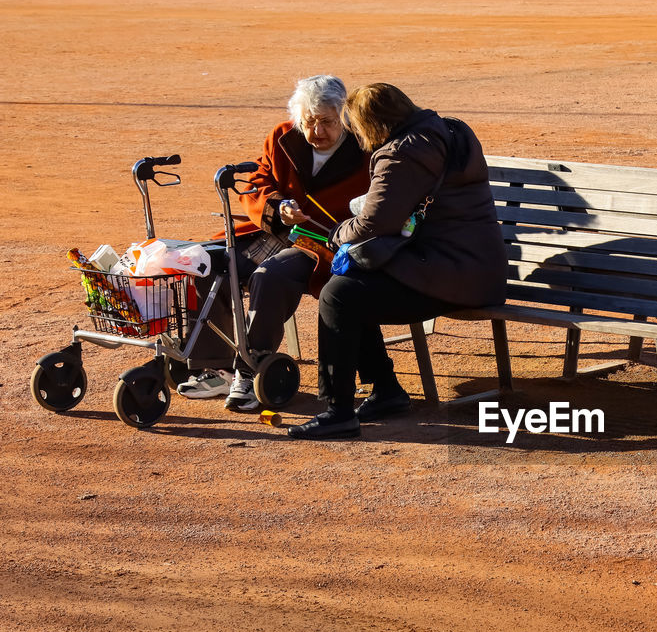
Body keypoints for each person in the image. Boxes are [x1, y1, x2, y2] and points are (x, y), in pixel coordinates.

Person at [288, 83, 506, 439]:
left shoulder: (405, 152)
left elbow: (375, 222)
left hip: (452, 274)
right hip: (474, 269)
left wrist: (337, 233)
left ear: (371, 125)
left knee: (339, 294)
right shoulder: (444, 129)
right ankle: (386, 391)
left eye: (356, 129)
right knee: (356, 284)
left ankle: (337, 411)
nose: (358, 138)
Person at [176, 74, 371, 411]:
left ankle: (251, 370)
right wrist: (278, 207)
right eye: (309, 122)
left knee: (271, 276)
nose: (316, 132)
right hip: (271, 231)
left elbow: (371, 208)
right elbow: (257, 184)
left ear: (344, 119)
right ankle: (215, 365)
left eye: (326, 122)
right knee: (204, 263)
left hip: (322, 242)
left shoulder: (365, 149)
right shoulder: (282, 136)